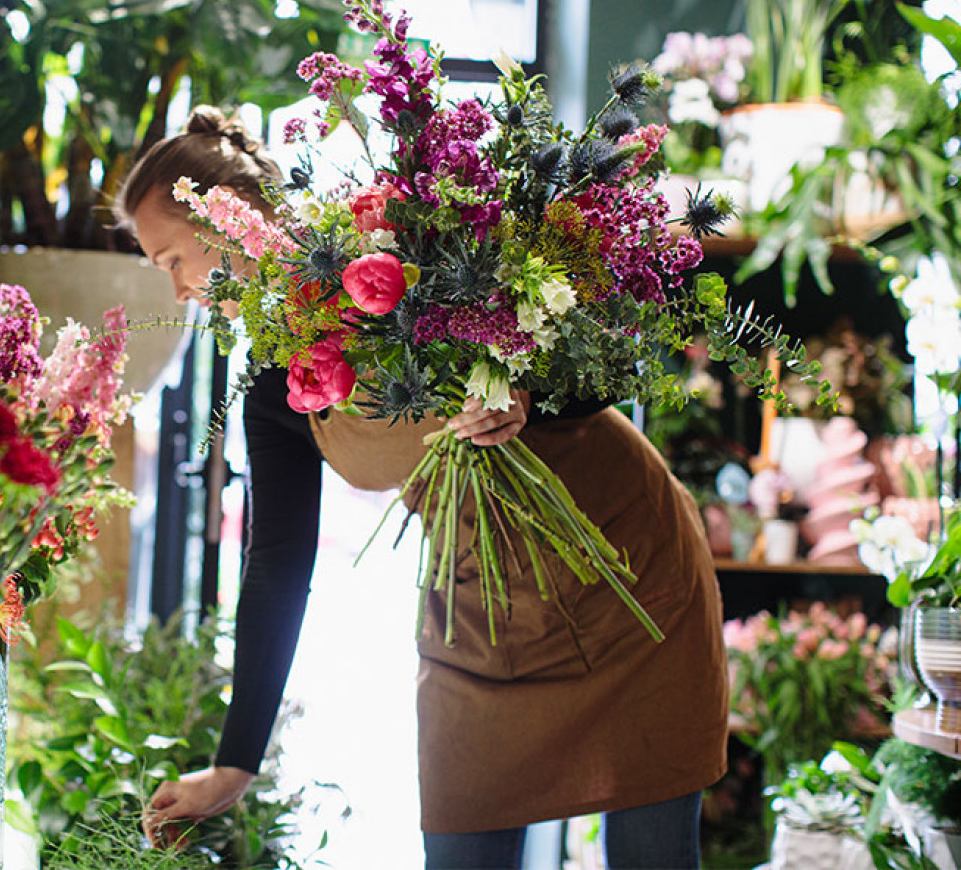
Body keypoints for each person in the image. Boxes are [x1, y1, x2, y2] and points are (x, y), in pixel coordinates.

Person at [117, 105, 727, 870]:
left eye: (170, 260)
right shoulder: (275, 386)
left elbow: (599, 356)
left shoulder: (398, 254)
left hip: (631, 582)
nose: (175, 291)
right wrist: (235, 762)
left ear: (227, 222)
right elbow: (276, 562)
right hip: (483, 624)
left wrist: (525, 387)